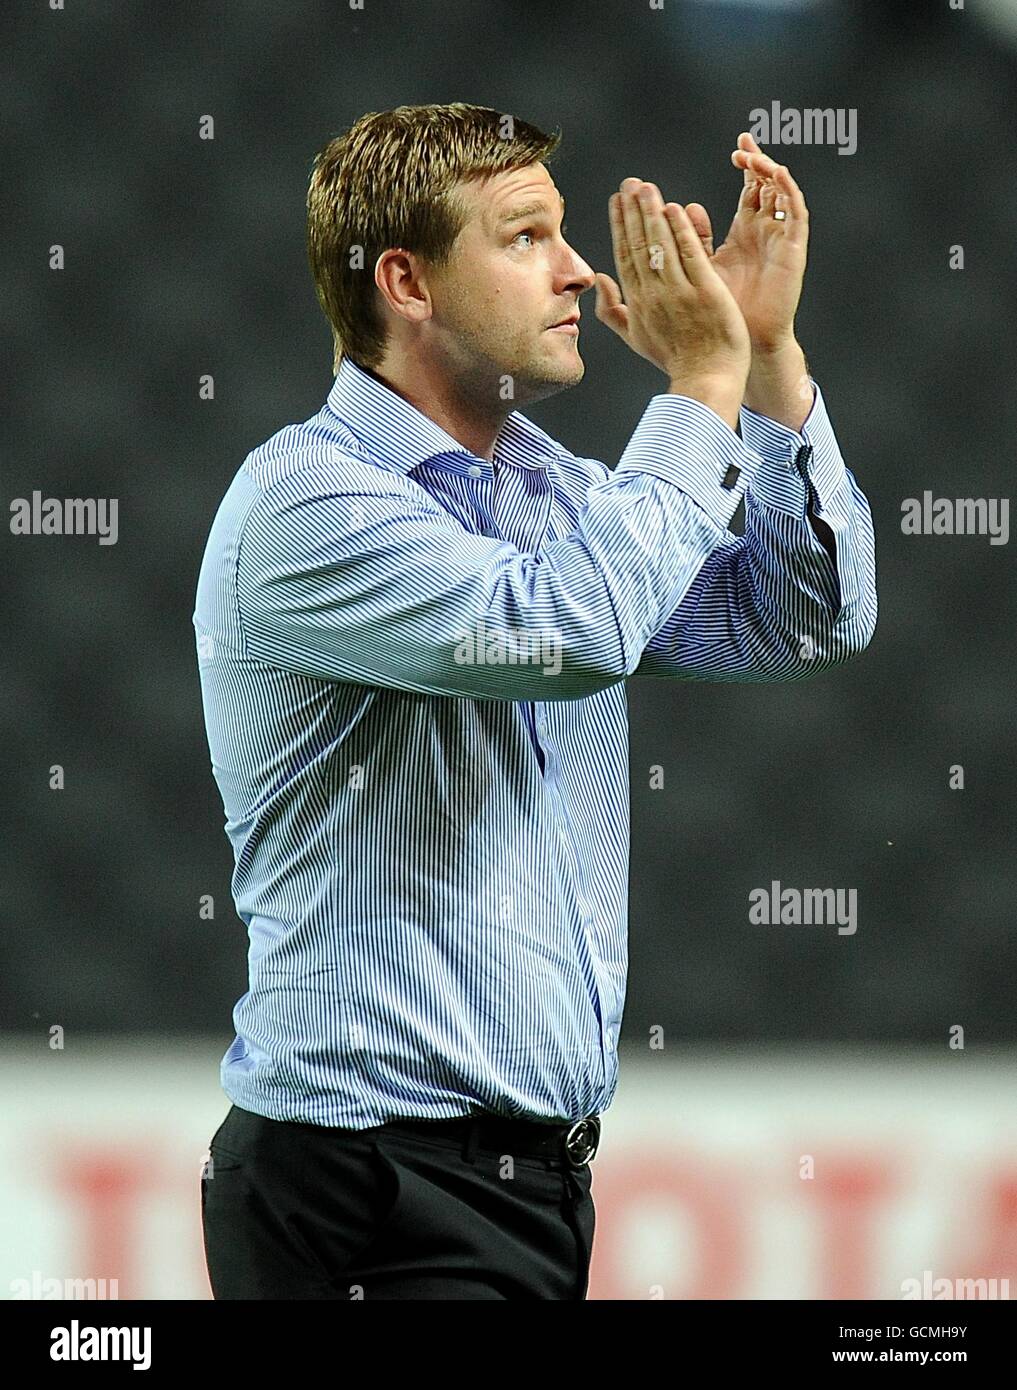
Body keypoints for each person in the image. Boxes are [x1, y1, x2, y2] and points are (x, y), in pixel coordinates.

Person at [193, 102, 877, 1300]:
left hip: (533, 1188)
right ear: (403, 279)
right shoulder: (307, 500)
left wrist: (764, 363)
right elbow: (567, 632)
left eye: (565, 232)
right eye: (524, 238)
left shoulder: (551, 489)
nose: (577, 270)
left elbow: (806, 617)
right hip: (368, 1185)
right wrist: (700, 380)